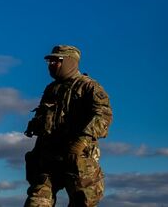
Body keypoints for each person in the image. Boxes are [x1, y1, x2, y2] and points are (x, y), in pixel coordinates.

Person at [23, 45, 113, 207]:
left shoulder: (88, 86)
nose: (51, 65)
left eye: (56, 61)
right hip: (49, 161)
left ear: (70, 62)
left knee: (82, 202)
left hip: (78, 160)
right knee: (36, 202)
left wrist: (81, 143)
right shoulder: (52, 89)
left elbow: (103, 115)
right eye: (49, 61)